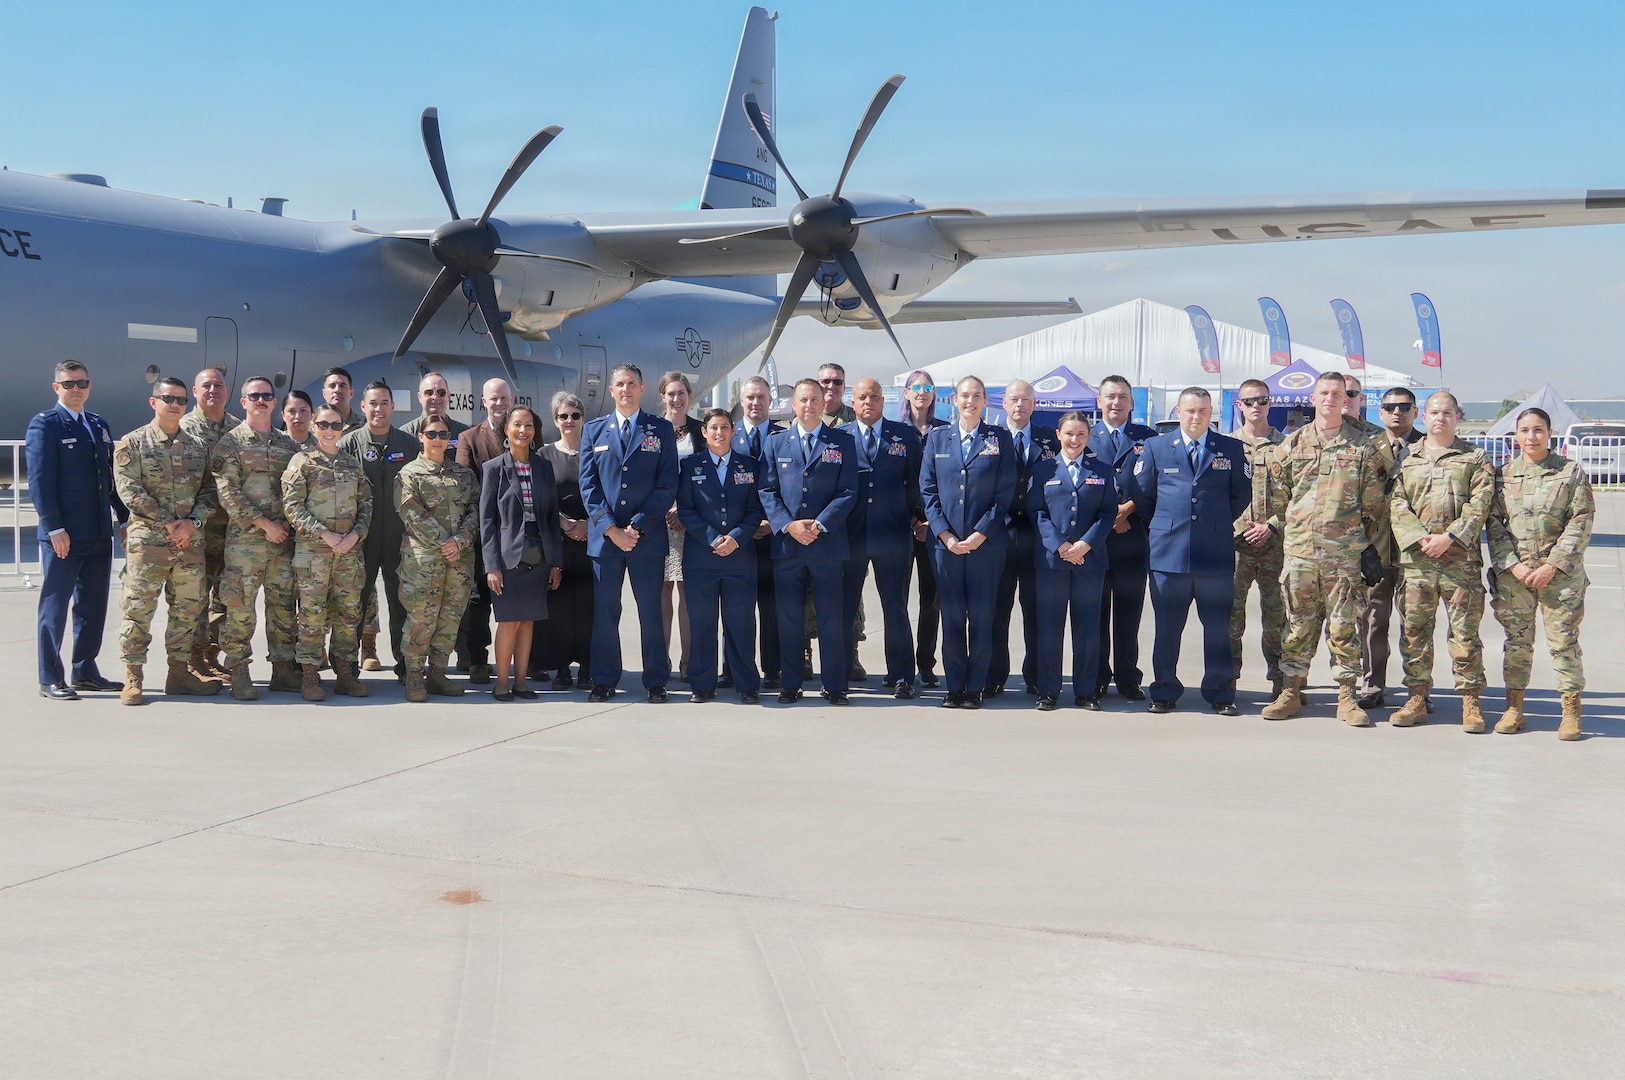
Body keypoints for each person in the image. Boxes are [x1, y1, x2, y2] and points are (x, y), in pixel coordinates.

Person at [1261, 372, 1384, 725]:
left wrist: (1365, 547)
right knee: (1297, 624)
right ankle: (1291, 691)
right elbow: (1280, 497)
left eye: (1338, 394)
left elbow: (1374, 504)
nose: (1330, 399)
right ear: (1313, 398)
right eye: (1324, 393)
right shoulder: (1291, 445)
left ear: (1347, 399)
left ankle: (1346, 697)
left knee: (1344, 625)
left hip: (1344, 555)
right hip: (1300, 552)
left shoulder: (1363, 446)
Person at [1131, 388, 1251, 715]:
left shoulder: (1230, 448)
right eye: (1190, 410)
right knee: (1167, 629)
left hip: (1214, 556)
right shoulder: (1156, 447)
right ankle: (1164, 691)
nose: (1196, 417)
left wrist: (1214, 522)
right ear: (1178, 412)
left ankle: (1220, 692)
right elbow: (1143, 496)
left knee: (1217, 630)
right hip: (1168, 557)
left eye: (1202, 410)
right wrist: (1167, 525)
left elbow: (1240, 496)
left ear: (1211, 412)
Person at [1388, 391, 1494, 731]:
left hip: (1460, 562)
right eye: (1434, 412)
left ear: (1457, 417)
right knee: (1414, 633)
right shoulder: (1407, 459)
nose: (1440, 418)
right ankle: (1416, 698)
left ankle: (1471, 702)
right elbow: (1396, 503)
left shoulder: (1475, 458)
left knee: (1465, 634)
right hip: (1417, 562)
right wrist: (1420, 537)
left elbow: (1481, 504)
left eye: (1447, 412)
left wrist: (1450, 537)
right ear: (1423, 416)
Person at [112, 377, 222, 705]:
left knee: (187, 610)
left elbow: (209, 491)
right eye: (167, 398)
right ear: (153, 402)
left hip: (189, 543)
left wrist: (192, 523)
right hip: (148, 544)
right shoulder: (133, 444)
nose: (174, 405)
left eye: (180, 400)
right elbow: (129, 490)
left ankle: (178, 674)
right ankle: (133, 677)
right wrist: (168, 524)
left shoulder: (196, 447)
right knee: (138, 610)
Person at [1487, 407, 1593, 740]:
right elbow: (1493, 525)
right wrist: (1514, 564)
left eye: (1538, 430)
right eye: (1524, 431)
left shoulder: (1570, 472)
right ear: (1515, 436)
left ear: (1550, 433)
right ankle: (1514, 708)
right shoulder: (1503, 475)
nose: (1531, 437)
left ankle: (1571, 713)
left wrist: (1553, 564)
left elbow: (1582, 518)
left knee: (1564, 644)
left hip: (1559, 576)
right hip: (1515, 578)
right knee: (1517, 643)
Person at [26, 360, 126, 700]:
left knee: (93, 606)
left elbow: (108, 480)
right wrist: (53, 527)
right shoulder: (45, 425)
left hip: (99, 531)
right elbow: (40, 482)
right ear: (57, 388)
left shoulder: (98, 424)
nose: (76, 389)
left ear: (89, 386)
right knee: (54, 606)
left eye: (81, 383)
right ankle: (49, 677)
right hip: (64, 535)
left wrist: (123, 518)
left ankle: (85, 670)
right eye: (68, 384)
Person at [579, 363, 679, 702]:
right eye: (620, 384)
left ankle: (655, 680)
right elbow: (588, 485)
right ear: (611, 391)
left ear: (642, 388)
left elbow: (667, 484)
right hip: (606, 542)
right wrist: (610, 528)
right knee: (606, 611)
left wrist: (636, 525)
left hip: (645, 538)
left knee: (650, 610)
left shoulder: (660, 429)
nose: (626, 389)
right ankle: (604, 678)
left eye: (632, 384)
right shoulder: (594, 431)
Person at [759, 378, 858, 704]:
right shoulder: (776, 443)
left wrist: (819, 524)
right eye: (803, 399)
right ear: (793, 404)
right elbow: (767, 490)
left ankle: (834, 685)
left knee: (831, 617)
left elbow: (848, 491)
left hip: (826, 545)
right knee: (789, 619)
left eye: (815, 399)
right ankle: (791, 683)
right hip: (788, 547)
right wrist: (788, 525)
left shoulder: (841, 442)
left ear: (822, 402)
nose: (809, 405)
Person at [921, 376, 1016, 710]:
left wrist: (979, 535)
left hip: (986, 547)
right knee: (950, 618)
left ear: (985, 400)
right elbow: (928, 491)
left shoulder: (999, 439)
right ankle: (954, 686)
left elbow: (1004, 493)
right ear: (954, 400)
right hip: (945, 547)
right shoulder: (938, 439)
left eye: (977, 396)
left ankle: (975, 686)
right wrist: (945, 534)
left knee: (981, 617)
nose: (970, 401)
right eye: (965, 396)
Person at [211, 375, 301, 699]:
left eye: (266, 395)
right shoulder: (230, 444)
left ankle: (283, 670)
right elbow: (228, 493)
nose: (260, 400)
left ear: (274, 403)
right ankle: (238, 672)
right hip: (246, 543)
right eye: (254, 396)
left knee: (283, 607)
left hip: (282, 542)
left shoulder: (288, 445)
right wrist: (265, 524)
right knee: (240, 608)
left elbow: (297, 491)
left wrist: (287, 525)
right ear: (244, 402)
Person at [1028, 411, 1118, 710]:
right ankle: (1048, 690)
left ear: (1088, 436)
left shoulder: (1103, 471)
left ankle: (1085, 691)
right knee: (1050, 629)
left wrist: (1084, 544)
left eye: (1081, 434)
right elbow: (1037, 513)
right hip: (1052, 563)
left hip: (1090, 562)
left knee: (1087, 629)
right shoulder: (1043, 471)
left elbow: (1108, 513)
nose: (1075, 439)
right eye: (1069, 433)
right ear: (1058, 435)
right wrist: (1061, 545)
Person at [283, 405, 372, 700]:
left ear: (343, 428)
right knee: (312, 616)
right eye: (323, 425)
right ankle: (310, 676)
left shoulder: (352, 465)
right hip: (314, 553)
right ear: (313, 427)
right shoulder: (303, 462)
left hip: (348, 553)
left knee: (349, 614)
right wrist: (325, 534)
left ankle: (345, 674)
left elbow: (366, 504)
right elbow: (292, 506)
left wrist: (356, 534)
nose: (329, 430)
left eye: (335, 425)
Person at [842, 378, 924, 699]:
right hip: (851, 536)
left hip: (893, 535)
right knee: (845, 608)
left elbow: (915, 481)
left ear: (883, 400)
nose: (868, 402)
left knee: (896, 607)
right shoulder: (841, 438)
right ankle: (840, 674)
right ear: (853, 401)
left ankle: (902, 675)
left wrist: (916, 516)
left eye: (874, 396)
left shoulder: (904, 435)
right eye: (862, 397)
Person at [677, 408, 764, 703]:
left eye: (724, 427)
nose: (719, 433)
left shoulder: (749, 466)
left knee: (740, 623)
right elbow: (686, 511)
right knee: (702, 623)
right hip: (702, 558)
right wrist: (713, 539)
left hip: (739, 559)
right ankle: (702, 684)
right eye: (713, 427)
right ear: (704, 432)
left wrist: (736, 539)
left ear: (732, 431)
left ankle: (747, 684)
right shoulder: (690, 465)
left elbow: (755, 511)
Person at [481, 406, 564, 700]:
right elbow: (487, 522)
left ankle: (521, 682)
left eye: (528, 425)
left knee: (528, 620)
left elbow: (552, 516)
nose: (523, 431)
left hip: (539, 556)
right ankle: (501, 682)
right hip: (508, 557)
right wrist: (492, 566)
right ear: (506, 429)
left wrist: (556, 562)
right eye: (517, 425)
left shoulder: (543, 467)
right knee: (508, 620)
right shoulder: (493, 468)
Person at [395, 415, 479, 702]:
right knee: (421, 618)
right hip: (424, 561)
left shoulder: (464, 474)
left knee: (450, 617)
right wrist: (446, 543)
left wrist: (460, 541)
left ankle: (438, 674)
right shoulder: (409, 474)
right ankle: (414, 675)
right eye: (432, 434)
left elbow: (476, 510)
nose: (438, 439)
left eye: (443, 434)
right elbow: (412, 514)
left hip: (459, 560)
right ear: (421, 436)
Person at [339, 381, 419, 678]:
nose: (379, 409)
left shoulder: (409, 444)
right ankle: (347, 667)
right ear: (363, 407)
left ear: (392, 407)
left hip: (399, 540)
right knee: (354, 602)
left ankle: (406, 665)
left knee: (402, 603)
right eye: (373, 403)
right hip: (362, 539)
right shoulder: (350, 443)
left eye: (384, 403)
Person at [1087, 375, 1158, 701]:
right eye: (1110, 397)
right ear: (1099, 401)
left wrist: (1128, 509)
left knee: (1129, 615)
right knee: (1097, 614)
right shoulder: (1084, 437)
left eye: (1122, 397)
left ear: (1132, 402)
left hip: (1133, 539)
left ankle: (1129, 677)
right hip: (1095, 541)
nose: (1116, 402)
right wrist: (1108, 518)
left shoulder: (1148, 438)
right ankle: (1099, 676)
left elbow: (1157, 486)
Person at [987, 379, 1058, 696]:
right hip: (997, 535)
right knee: (996, 611)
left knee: (1037, 611)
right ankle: (993, 674)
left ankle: (1036, 675)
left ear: (1034, 404)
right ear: (1004, 403)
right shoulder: (991, 437)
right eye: (1014, 399)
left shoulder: (1049, 439)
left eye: (1026, 400)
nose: (1019, 405)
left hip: (1037, 537)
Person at [1356, 386, 1424, 709]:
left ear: (1415, 412)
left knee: (1415, 623)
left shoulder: (1428, 447)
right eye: (1390, 407)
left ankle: (1417, 690)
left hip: (1416, 551)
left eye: (1404, 406)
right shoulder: (1365, 448)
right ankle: (1372, 683)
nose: (1397, 412)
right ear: (1380, 413)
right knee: (1374, 621)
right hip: (1377, 549)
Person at [179, 366, 242, 679]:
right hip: (197, 527)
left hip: (231, 527)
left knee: (225, 597)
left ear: (227, 391)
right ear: (195, 391)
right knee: (195, 596)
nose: (213, 391)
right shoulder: (183, 428)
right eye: (206, 386)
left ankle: (211, 654)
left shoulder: (237, 428)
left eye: (219, 385)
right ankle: (193, 659)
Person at [455, 377, 514, 682]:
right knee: (479, 599)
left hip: (517, 533)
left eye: (504, 398)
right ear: (483, 402)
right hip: (483, 531)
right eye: (494, 399)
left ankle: (523, 659)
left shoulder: (524, 433)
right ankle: (478, 659)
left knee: (516, 597)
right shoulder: (468, 438)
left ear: (512, 400)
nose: (499, 404)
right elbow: (466, 481)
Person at [1228, 379, 1286, 696]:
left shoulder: (1287, 446)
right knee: (1231, 617)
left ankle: (1282, 680)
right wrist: (1241, 527)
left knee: (1277, 617)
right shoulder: (1227, 445)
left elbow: (1299, 495)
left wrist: (1272, 525)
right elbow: (1217, 495)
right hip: (1237, 546)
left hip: (1276, 544)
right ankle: (1229, 678)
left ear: (1270, 403)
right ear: (1239, 405)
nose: (1255, 406)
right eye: (1249, 401)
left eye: (1261, 400)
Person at [536, 392, 594, 689]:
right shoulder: (544, 455)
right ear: (555, 420)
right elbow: (539, 499)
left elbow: (607, 496)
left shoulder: (596, 452)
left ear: (583, 418)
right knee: (557, 609)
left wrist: (588, 524)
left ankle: (586, 668)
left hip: (592, 542)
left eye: (575, 415)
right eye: (563, 416)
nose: (569, 421)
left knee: (587, 607)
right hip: (557, 542)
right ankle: (561, 669)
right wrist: (563, 522)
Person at [727, 375, 782, 688]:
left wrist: (771, 522)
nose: (755, 403)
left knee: (772, 608)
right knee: (736, 607)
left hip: (775, 536)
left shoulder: (783, 437)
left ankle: (772, 669)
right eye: (749, 398)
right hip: (738, 538)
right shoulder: (728, 436)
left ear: (770, 400)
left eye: (761, 397)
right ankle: (732, 668)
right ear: (741, 401)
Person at [901, 369, 949, 686]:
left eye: (928, 387)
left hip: (936, 526)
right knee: (898, 599)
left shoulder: (946, 431)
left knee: (931, 600)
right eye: (916, 387)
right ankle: (902, 666)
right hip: (901, 527)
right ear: (906, 393)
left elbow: (953, 481)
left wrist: (931, 521)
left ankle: (926, 664)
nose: (922, 391)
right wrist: (911, 520)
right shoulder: (895, 432)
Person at [658, 371, 705, 681]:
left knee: (689, 594)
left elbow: (709, 476)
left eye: (682, 393)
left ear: (690, 396)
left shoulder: (702, 432)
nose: (677, 399)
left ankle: (689, 662)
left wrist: (685, 509)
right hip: (657, 522)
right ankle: (661, 661)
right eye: (671, 393)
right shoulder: (651, 429)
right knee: (661, 594)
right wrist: (663, 507)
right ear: (662, 396)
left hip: (692, 523)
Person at [400, 370, 469, 450]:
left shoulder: (463, 434)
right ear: (420, 397)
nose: (435, 397)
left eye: (441, 392)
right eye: (429, 393)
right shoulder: (405, 434)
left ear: (449, 396)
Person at [321, 366, 365, 433]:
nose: (337, 390)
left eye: (342, 386)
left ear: (351, 393)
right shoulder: (315, 427)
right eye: (332, 386)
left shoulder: (366, 425)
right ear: (324, 393)